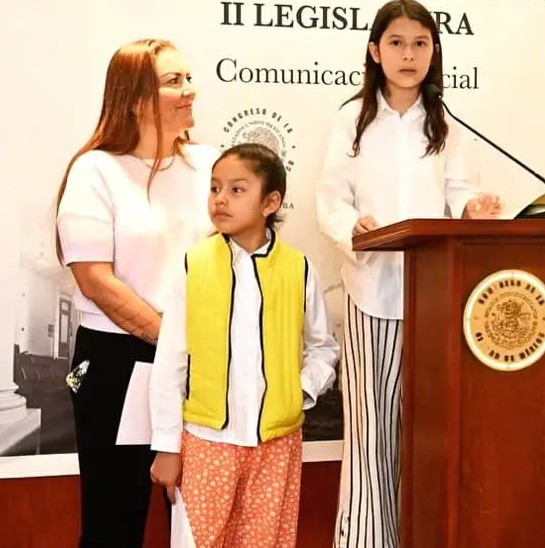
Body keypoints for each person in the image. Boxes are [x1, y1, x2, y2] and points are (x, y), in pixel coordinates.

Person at [316, 0, 504, 548]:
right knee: (371, 435)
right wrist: (359, 226)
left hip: (433, 301)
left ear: (434, 53)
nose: (408, 54)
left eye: (420, 43)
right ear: (375, 51)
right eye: (396, 43)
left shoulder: (449, 123)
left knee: (428, 434)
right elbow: (331, 200)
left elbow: (460, 196)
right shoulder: (352, 119)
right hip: (373, 290)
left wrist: (473, 210)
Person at [55, 38, 219, 547]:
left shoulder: (212, 166)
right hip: (120, 363)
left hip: (204, 360)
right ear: (135, 99)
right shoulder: (96, 170)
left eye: (189, 77)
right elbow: (95, 281)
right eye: (174, 81)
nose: (190, 90)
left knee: (204, 520)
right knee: (115, 520)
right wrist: (173, 341)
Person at [149, 142, 340, 548]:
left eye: (237, 190)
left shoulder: (298, 268)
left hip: (276, 447)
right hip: (207, 443)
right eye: (215, 188)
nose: (220, 199)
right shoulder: (194, 264)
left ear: (271, 201)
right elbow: (170, 362)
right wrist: (167, 445)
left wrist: (298, 392)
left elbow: (324, 348)